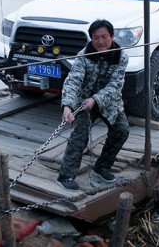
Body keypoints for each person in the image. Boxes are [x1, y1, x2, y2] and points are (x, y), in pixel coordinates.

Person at [56, 19, 129, 191]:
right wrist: (67, 106)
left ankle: (101, 167)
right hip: (83, 102)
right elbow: (73, 80)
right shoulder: (83, 56)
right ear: (91, 39)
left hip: (109, 102)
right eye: (95, 38)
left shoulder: (121, 57)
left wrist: (96, 99)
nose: (100, 41)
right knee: (79, 133)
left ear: (112, 36)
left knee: (122, 130)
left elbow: (115, 86)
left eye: (104, 36)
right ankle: (66, 175)